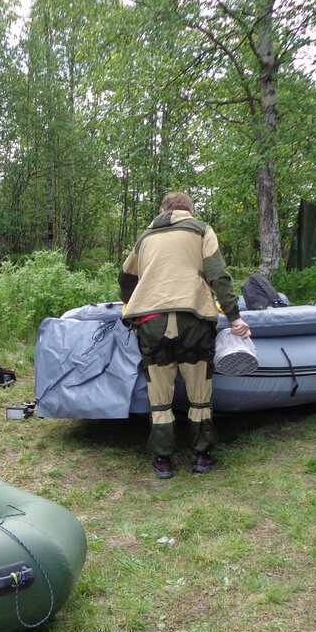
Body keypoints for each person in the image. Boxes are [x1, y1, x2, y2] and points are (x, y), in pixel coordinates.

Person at [118, 192, 251, 479]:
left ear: (163, 209)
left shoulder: (145, 238)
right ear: (189, 210)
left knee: (159, 394)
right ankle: (202, 457)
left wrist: (130, 307)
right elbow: (218, 275)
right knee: (199, 393)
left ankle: (163, 460)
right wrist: (234, 316)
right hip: (194, 320)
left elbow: (126, 277)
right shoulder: (202, 229)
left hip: (152, 321)